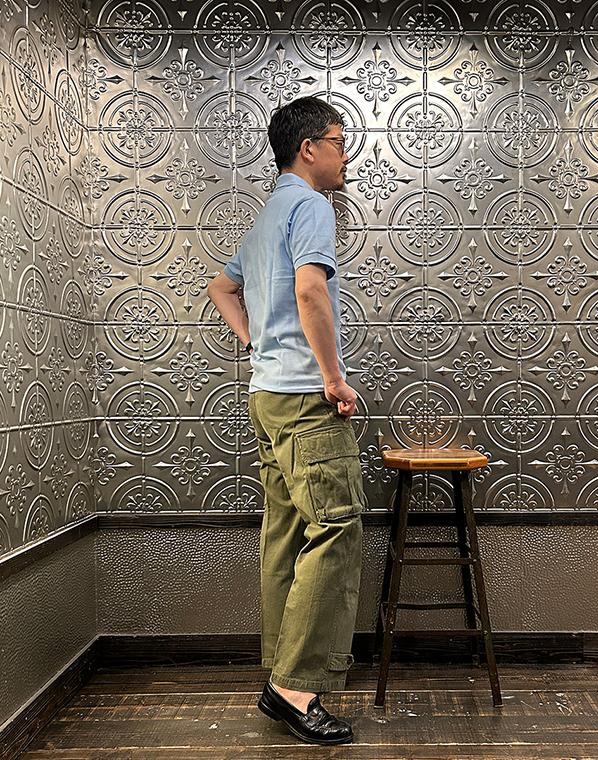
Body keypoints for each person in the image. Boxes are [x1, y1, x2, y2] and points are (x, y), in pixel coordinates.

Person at [206, 96, 367, 746]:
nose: (345, 155)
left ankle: (279, 674)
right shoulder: (311, 206)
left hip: (266, 395)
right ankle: (297, 690)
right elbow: (309, 289)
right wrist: (332, 377)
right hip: (303, 397)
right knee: (336, 527)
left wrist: (255, 342)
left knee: (285, 532)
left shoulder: (268, 215)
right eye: (339, 141)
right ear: (309, 148)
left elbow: (221, 288)